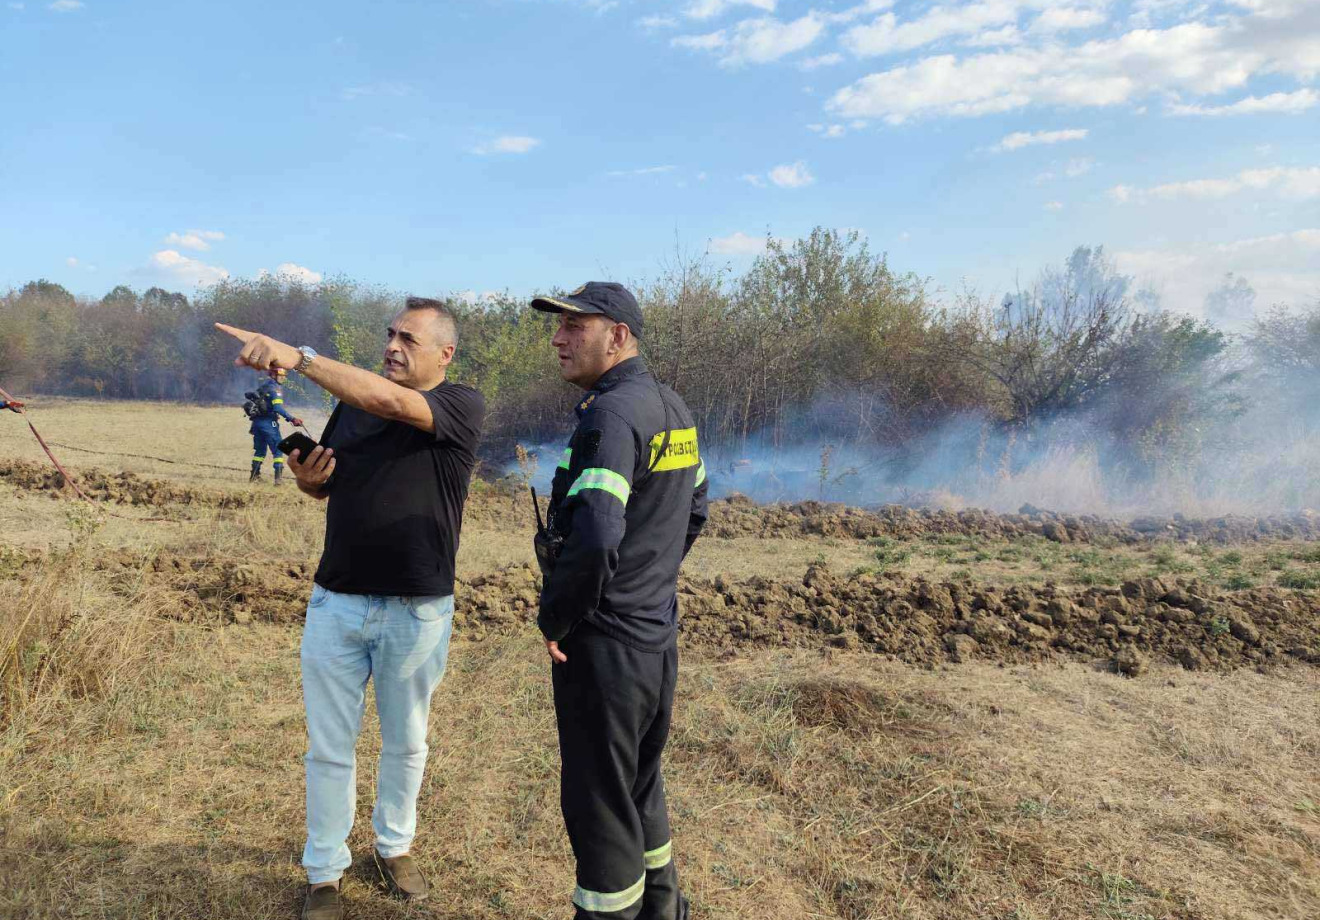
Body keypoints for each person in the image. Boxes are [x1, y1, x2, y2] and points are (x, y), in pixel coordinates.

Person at [216, 297, 485, 920]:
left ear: (444, 354)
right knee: (329, 745)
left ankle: (394, 847)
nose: (393, 345)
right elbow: (327, 483)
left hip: (417, 609)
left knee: (406, 740)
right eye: (390, 334)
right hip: (336, 600)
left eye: (409, 339)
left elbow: (392, 403)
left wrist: (298, 356)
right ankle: (324, 871)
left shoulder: (459, 404)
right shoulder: (354, 403)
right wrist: (311, 478)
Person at [531, 282, 708, 920]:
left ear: (619, 336)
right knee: (639, 783)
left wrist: (560, 614)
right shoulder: (674, 407)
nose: (559, 337)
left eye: (576, 325)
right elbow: (694, 511)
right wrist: (647, 583)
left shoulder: (609, 415)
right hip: (656, 640)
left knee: (599, 802)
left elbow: (599, 532)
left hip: (605, 649)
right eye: (559, 326)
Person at [248, 367, 304, 484]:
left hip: (257, 423)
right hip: (268, 423)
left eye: (284, 375)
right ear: (273, 375)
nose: (283, 378)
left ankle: (254, 477)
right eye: (280, 375)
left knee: (259, 452)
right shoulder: (275, 389)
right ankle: (278, 479)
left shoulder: (264, 386)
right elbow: (277, 408)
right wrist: (292, 419)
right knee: (278, 450)